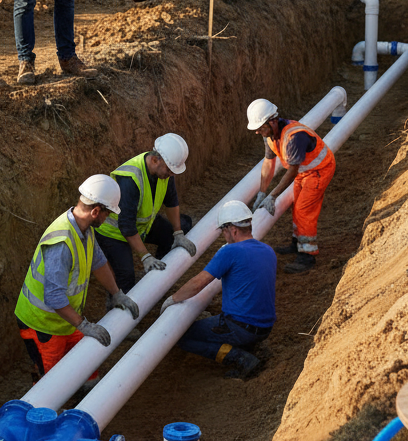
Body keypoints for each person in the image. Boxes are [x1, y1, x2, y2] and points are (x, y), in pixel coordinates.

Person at [15, 174, 140, 381]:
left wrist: (117, 294)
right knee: (52, 382)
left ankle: (87, 391)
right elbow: (54, 297)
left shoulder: (84, 229)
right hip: (42, 324)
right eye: (107, 213)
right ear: (95, 211)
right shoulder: (61, 243)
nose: (108, 218)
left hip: (64, 319)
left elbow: (99, 262)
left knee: (87, 365)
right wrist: (83, 325)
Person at [161, 200, 276, 379]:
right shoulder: (268, 251)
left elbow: (198, 283)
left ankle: (239, 358)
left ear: (233, 229)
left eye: (223, 230)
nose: (223, 234)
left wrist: (173, 299)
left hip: (239, 328)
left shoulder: (230, 251)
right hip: (265, 327)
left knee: (181, 337)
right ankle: (247, 346)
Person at [95, 133, 197, 293]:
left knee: (175, 231)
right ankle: (116, 303)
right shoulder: (130, 179)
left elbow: (171, 202)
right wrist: (145, 256)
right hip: (113, 233)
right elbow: (126, 225)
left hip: (140, 225)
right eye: (169, 170)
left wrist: (178, 233)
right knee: (126, 277)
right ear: (155, 160)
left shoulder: (164, 172)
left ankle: (158, 281)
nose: (171, 175)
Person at [246, 97, 336, 274]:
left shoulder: (294, 137)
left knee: (304, 210)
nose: (257, 132)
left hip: (319, 169)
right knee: (297, 206)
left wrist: (273, 196)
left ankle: (307, 255)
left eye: (260, 127)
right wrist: (262, 193)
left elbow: (292, 171)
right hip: (305, 170)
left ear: (272, 121)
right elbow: (268, 163)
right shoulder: (270, 135)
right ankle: (297, 243)